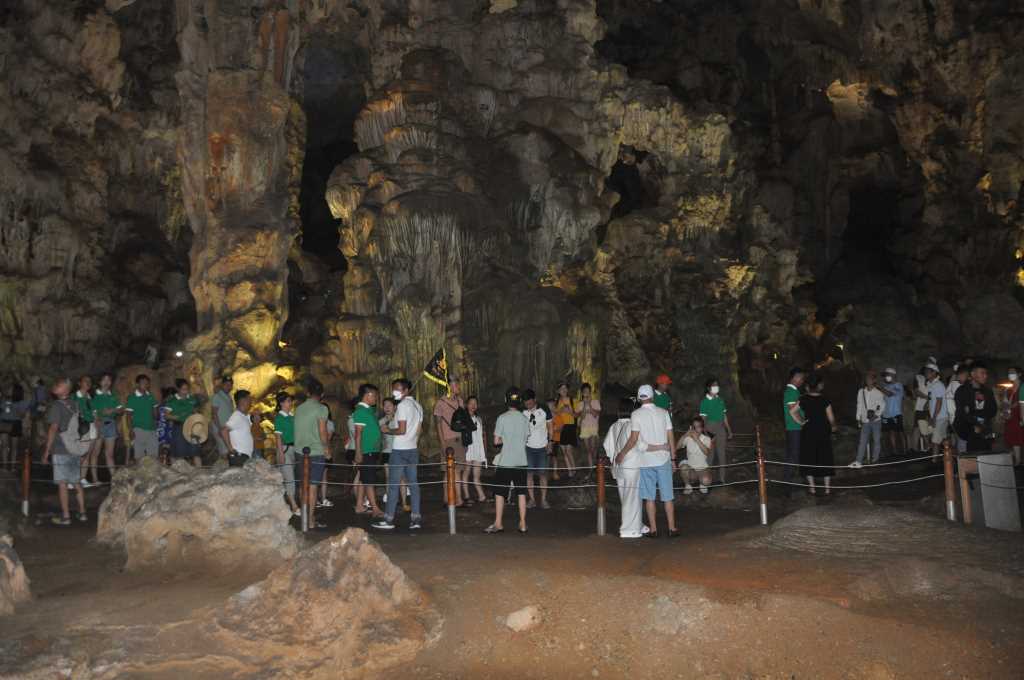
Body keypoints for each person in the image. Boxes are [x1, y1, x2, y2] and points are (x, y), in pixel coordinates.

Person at [615, 385, 677, 538]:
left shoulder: (636, 414)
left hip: (645, 461)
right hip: (663, 459)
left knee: (649, 497)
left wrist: (622, 453)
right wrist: (674, 458)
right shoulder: (663, 413)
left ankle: (654, 530)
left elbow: (633, 439)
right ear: (652, 396)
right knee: (667, 496)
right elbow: (671, 437)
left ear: (639, 397)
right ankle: (672, 528)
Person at [373, 378, 424, 531]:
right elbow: (419, 430)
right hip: (412, 449)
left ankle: (388, 520)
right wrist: (412, 441)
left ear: (406, 390)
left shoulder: (402, 406)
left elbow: (401, 430)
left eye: (398, 389)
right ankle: (416, 519)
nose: (394, 392)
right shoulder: (418, 406)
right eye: (393, 389)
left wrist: (388, 430)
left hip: (400, 450)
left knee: (393, 485)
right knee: (413, 485)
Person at [42, 378, 87, 525]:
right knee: (76, 482)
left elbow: (53, 429)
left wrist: (47, 451)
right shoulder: (75, 404)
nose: (55, 386)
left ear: (66, 389)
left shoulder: (56, 406)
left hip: (61, 449)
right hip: (73, 448)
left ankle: (66, 517)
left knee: (62, 483)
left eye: (59, 385)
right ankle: (82, 513)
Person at [486, 386, 530, 533]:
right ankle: (523, 523)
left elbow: (496, 441)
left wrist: (506, 439)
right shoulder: (524, 419)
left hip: (506, 461)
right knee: (521, 492)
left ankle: (498, 523)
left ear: (506, 400)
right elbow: (525, 438)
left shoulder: (502, 418)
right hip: (521, 460)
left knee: (500, 492)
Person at [605, 397, 644, 538]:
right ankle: (629, 530)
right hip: (631, 465)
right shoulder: (632, 425)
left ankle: (638, 524)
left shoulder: (614, 426)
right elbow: (639, 444)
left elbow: (607, 446)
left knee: (625, 497)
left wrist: (613, 459)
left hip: (618, 466)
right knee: (632, 497)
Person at [295, 379, 331, 528]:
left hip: (299, 452)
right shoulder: (322, 409)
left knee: (303, 486)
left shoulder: (299, 408)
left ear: (308, 393)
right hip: (315, 451)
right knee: (313, 486)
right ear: (321, 394)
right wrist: (327, 448)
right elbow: (323, 431)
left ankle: (304, 516)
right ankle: (310, 519)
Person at [799, 374, 836, 494]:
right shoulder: (825, 399)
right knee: (825, 457)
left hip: (809, 430)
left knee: (809, 457)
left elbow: (792, 411)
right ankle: (827, 489)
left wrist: (801, 421)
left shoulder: (803, 398)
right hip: (823, 430)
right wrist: (834, 426)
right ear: (819, 385)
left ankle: (812, 488)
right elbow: (831, 417)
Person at [352, 383, 384, 518]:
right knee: (369, 480)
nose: (376, 398)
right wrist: (358, 452)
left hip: (371, 450)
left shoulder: (368, 410)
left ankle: (359, 506)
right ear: (368, 395)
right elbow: (358, 434)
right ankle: (375, 508)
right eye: (375, 395)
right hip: (366, 451)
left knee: (364, 479)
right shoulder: (360, 411)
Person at [433, 379, 466, 505]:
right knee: (451, 470)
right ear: (449, 387)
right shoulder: (441, 403)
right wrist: (442, 443)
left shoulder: (460, 401)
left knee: (454, 470)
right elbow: (438, 424)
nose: (458, 387)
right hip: (448, 440)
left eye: (458, 384)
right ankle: (457, 499)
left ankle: (449, 498)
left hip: (460, 439)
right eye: (456, 385)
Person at [953, 362, 997, 453]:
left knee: (986, 456)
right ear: (973, 374)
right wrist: (976, 423)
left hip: (984, 430)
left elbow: (993, 409)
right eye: (982, 373)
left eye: (986, 373)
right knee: (970, 458)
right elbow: (962, 413)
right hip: (967, 430)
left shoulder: (987, 391)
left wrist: (980, 420)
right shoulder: (962, 391)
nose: (985, 376)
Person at [521, 389, 552, 509]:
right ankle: (532, 499)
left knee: (543, 474)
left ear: (534, 400)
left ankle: (544, 499)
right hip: (528, 447)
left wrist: (550, 442)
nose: (527, 405)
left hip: (542, 447)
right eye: (525, 403)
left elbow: (550, 426)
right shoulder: (522, 411)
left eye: (529, 403)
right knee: (529, 474)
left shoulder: (544, 409)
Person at [698, 378, 733, 483]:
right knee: (710, 455)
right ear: (708, 388)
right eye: (714, 385)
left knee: (722, 454)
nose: (716, 387)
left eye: (717, 385)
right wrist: (705, 433)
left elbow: (724, 416)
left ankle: (722, 479)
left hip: (721, 428)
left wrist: (729, 430)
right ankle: (707, 480)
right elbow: (703, 420)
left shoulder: (720, 400)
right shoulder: (704, 401)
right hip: (709, 428)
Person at [378, 397, 410, 512]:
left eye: (389, 405)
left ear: (395, 407)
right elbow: (379, 436)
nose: (387, 407)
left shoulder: (399, 419)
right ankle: (392, 501)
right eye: (385, 405)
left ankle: (404, 502)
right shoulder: (381, 421)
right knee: (388, 477)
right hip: (387, 452)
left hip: (399, 450)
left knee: (402, 478)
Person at [90, 373, 122, 480]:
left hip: (111, 424)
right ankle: (95, 479)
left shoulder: (113, 396)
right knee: (96, 453)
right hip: (99, 424)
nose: (107, 382)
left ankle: (114, 479)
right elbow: (94, 414)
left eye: (109, 380)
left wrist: (112, 410)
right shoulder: (95, 397)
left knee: (110, 454)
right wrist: (97, 426)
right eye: (104, 380)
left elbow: (121, 409)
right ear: (100, 382)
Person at [273, 392, 301, 516]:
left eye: (291, 401)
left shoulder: (292, 416)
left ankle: (287, 500)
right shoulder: (279, 418)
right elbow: (278, 437)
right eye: (288, 401)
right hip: (284, 449)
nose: (291, 403)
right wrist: (280, 453)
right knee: (289, 479)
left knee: (290, 478)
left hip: (294, 449)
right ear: (282, 403)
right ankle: (294, 506)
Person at [853, 370, 886, 467]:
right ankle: (859, 460)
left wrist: (877, 414)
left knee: (876, 440)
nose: (868, 380)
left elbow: (882, 405)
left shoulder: (879, 393)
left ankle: (875, 460)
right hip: (865, 420)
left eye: (870, 378)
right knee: (862, 441)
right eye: (867, 378)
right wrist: (858, 417)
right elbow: (859, 405)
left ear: (874, 380)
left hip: (876, 420)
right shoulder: (861, 391)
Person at [166, 378, 201, 466]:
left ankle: (200, 472)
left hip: (192, 427)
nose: (185, 392)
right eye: (183, 389)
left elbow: (196, 411)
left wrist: (197, 418)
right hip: (179, 427)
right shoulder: (172, 401)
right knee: (179, 452)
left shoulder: (192, 399)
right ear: (178, 389)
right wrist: (178, 417)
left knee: (195, 451)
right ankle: (181, 474)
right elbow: (166, 415)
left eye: (187, 389)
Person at [125, 374, 159, 462]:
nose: (145, 385)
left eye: (147, 383)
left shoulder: (151, 396)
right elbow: (128, 416)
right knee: (139, 456)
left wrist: (156, 413)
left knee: (153, 456)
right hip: (138, 429)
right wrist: (131, 430)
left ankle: (151, 475)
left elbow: (155, 414)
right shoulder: (132, 398)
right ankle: (140, 475)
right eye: (143, 383)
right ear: (137, 384)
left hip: (151, 429)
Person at [677, 416, 713, 495]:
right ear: (691, 427)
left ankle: (702, 484)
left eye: (698, 427)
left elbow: (707, 452)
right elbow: (677, 447)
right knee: (683, 467)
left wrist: (697, 439)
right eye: (694, 427)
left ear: (702, 428)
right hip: (691, 469)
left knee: (706, 481)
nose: (696, 429)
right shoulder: (688, 438)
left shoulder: (707, 439)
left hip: (703, 469)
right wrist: (685, 435)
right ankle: (688, 485)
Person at [782, 368, 806, 480]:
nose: (802, 380)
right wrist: (802, 422)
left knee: (792, 454)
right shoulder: (791, 392)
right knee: (794, 455)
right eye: (801, 378)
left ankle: (789, 479)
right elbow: (793, 411)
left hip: (793, 427)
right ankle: (788, 480)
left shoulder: (793, 391)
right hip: (794, 427)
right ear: (795, 377)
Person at [0, 382, 30, 471]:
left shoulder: (22, 402)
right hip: (4, 423)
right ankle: (5, 466)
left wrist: (14, 407)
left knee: (14, 447)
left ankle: (12, 466)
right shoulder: (3, 400)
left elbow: (22, 416)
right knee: (4, 446)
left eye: (11, 389)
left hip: (15, 424)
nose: (8, 390)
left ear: (16, 391)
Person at [74, 376, 97, 487]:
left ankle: (82, 479)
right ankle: (73, 479)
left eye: (89, 381)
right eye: (85, 381)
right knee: (80, 454)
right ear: (79, 383)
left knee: (87, 454)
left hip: (91, 426)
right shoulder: (75, 397)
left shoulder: (89, 397)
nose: (88, 383)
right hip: (81, 427)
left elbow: (93, 413)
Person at [464, 395, 488, 503]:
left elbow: (482, 435)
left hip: (478, 449)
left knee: (477, 475)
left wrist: (485, 449)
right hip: (468, 448)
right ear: (467, 405)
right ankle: (467, 496)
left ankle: (482, 496)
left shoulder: (479, 419)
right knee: (466, 472)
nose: (473, 405)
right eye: (471, 403)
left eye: (475, 403)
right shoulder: (463, 417)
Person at [921, 362, 946, 461]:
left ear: (934, 373)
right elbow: (933, 399)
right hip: (938, 416)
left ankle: (934, 461)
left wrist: (934, 417)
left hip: (941, 416)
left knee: (936, 440)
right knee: (941, 439)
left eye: (928, 371)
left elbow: (939, 402)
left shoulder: (938, 385)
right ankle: (947, 457)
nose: (926, 373)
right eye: (926, 371)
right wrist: (927, 405)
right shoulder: (931, 384)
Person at [552, 382, 578, 476]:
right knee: (564, 451)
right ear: (558, 391)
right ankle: (570, 472)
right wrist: (560, 411)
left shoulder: (572, 400)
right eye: (561, 388)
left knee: (569, 450)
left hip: (570, 426)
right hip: (560, 427)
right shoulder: (556, 401)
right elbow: (554, 414)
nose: (564, 390)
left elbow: (577, 415)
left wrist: (570, 411)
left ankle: (574, 470)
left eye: (565, 388)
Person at [221, 389, 255, 462]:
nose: (251, 403)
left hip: (243, 456)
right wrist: (231, 449)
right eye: (249, 400)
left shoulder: (243, 416)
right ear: (243, 401)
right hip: (239, 456)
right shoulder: (237, 416)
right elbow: (224, 431)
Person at [879, 368, 905, 457]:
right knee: (890, 432)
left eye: (887, 375)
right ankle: (894, 451)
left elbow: (890, 394)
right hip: (886, 413)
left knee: (900, 432)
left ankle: (905, 450)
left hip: (896, 413)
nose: (885, 377)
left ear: (893, 375)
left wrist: (880, 388)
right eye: (885, 375)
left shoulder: (898, 385)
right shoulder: (885, 387)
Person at [575, 383, 601, 470]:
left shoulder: (595, 402)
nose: (586, 393)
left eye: (588, 392)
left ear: (590, 392)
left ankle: (594, 464)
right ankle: (591, 469)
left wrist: (589, 404)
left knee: (593, 448)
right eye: (584, 392)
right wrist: (584, 407)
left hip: (593, 427)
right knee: (588, 449)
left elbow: (595, 414)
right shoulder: (579, 404)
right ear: (582, 393)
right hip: (584, 428)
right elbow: (581, 417)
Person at [210, 375, 234, 459]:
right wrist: (219, 428)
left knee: (228, 450)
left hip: (227, 429)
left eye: (230, 384)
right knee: (225, 452)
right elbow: (214, 414)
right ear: (222, 385)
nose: (228, 386)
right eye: (226, 384)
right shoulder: (217, 396)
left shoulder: (229, 397)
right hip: (220, 428)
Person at [945, 364, 968, 452]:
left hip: (954, 417)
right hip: (957, 418)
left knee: (959, 440)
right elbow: (962, 401)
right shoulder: (955, 384)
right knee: (962, 440)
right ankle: (963, 461)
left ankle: (960, 461)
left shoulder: (952, 384)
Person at [1003, 367, 1023, 465]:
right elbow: (1005, 404)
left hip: (1019, 416)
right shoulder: (1009, 390)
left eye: (1012, 372)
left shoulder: (1022, 387)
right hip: (1011, 417)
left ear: (1019, 374)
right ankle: (1017, 460)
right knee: (1013, 439)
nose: (1010, 374)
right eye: (1009, 372)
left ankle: (1018, 460)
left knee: (1018, 438)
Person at [156, 387, 174, 463]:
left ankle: (163, 462)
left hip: (163, 430)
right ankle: (164, 462)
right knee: (166, 448)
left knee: (163, 448)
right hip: (165, 429)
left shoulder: (160, 406)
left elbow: (157, 418)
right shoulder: (166, 406)